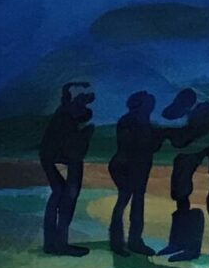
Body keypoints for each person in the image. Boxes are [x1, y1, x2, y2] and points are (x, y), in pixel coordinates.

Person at [107, 90, 168, 255]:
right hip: (127, 167)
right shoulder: (131, 122)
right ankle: (120, 242)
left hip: (137, 168)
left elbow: (149, 146)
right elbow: (137, 146)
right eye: (148, 104)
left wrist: (157, 138)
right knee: (126, 200)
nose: (151, 107)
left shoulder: (139, 122)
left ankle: (131, 241)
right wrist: (157, 138)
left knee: (134, 202)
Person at [161, 87, 209, 261]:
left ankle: (191, 247)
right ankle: (177, 242)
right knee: (180, 198)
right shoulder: (193, 112)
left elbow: (198, 137)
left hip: (198, 156)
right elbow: (168, 114)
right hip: (187, 156)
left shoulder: (204, 111)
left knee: (184, 196)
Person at [38, 81, 94, 256]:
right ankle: (59, 243)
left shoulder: (65, 112)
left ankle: (53, 243)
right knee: (66, 197)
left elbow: (66, 92)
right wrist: (77, 86)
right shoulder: (66, 114)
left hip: (53, 156)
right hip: (60, 157)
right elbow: (66, 92)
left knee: (60, 195)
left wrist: (76, 87)